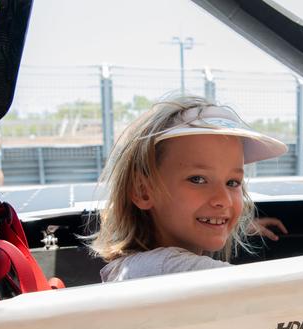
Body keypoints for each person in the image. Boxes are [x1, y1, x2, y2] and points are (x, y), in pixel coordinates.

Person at [93, 96, 288, 282]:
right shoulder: (164, 268)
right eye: (198, 179)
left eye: (232, 182)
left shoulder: (141, 265)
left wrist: (234, 224)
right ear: (143, 191)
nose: (224, 200)